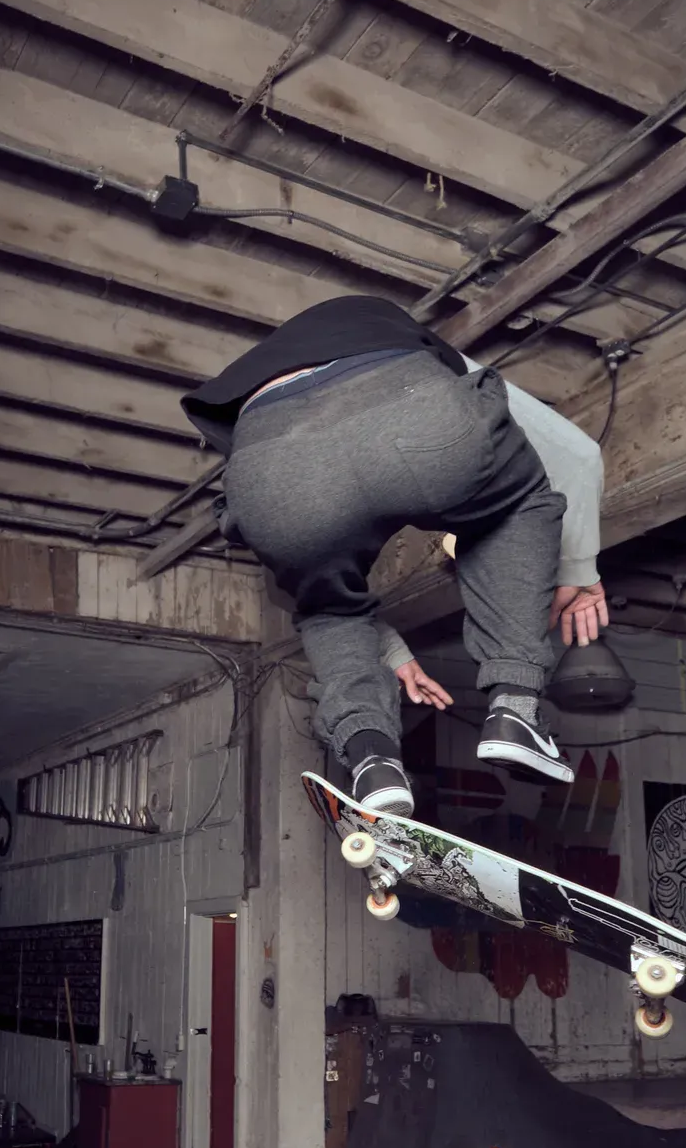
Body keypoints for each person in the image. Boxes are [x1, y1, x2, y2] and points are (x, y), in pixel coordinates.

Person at [182, 295, 609, 815]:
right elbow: (580, 454)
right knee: (516, 505)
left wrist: (393, 654)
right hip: (411, 407)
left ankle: (372, 757)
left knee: (328, 609)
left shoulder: (252, 402)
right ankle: (515, 707)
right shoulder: (407, 345)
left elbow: (328, 588)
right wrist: (580, 571)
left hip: (267, 470)